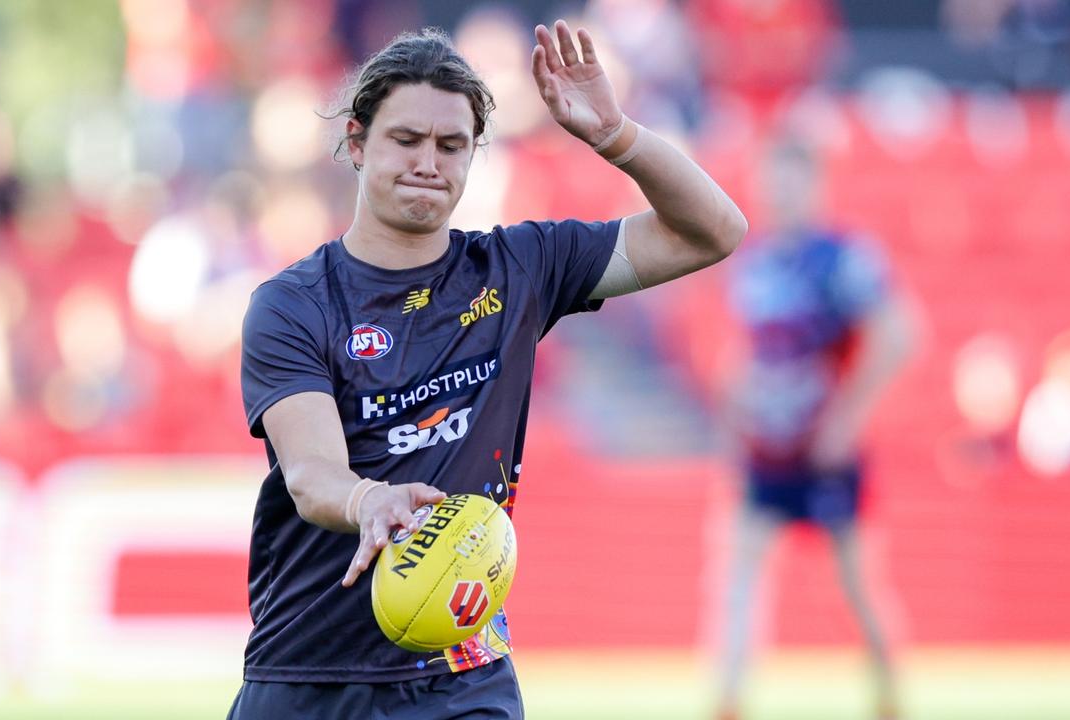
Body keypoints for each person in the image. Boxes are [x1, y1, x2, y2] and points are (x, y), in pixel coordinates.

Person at [235, 22, 746, 719]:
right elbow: (310, 474)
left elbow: (714, 231)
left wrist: (615, 135)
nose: (428, 162)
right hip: (309, 672)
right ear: (357, 142)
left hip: (462, 674)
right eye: (405, 139)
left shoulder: (519, 268)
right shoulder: (293, 304)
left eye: (451, 145)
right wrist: (368, 502)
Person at [712, 136, 915, 720]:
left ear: (814, 185)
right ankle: (729, 697)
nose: (779, 192)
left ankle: (889, 693)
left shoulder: (842, 258)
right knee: (739, 570)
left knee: (856, 585)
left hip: (824, 451)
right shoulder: (754, 261)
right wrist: (736, 412)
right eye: (771, 180)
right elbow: (754, 354)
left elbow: (898, 334)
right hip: (767, 448)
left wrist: (847, 418)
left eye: (790, 180)